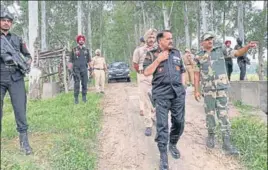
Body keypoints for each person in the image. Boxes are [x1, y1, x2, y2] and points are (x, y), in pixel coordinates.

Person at [193, 32, 257, 155]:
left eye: (211, 38)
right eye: (207, 39)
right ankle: (211, 136)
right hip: (208, 90)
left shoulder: (220, 50)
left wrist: (247, 47)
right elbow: (196, 75)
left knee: (223, 115)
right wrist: (196, 90)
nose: (210, 41)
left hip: (222, 89)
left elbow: (237, 53)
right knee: (210, 114)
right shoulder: (198, 56)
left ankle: (226, 143)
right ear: (202, 42)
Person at [144, 30, 186, 170]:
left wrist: (183, 88)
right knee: (162, 126)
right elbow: (146, 72)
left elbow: (182, 71)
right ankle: (163, 156)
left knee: (179, 122)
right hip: (161, 94)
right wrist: (158, 59)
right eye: (168, 39)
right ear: (160, 41)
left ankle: (172, 143)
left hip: (177, 94)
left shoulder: (177, 53)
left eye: (171, 38)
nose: (171, 41)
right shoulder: (151, 54)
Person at [0, 10, 32, 155]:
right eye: (3, 20)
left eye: (9, 20)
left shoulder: (17, 39)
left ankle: (24, 143)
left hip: (16, 77)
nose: (6, 22)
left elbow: (28, 55)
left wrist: (25, 63)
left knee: (20, 110)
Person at [132, 28, 157, 136]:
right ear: (145, 38)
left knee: (157, 101)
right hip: (144, 77)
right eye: (149, 37)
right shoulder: (139, 50)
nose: (151, 39)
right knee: (146, 101)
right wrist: (143, 73)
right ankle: (148, 124)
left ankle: (154, 118)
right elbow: (135, 64)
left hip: (157, 78)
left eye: (153, 37)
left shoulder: (159, 49)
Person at [69, 35, 91, 104]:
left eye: (82, 40)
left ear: (84, 41)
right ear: (78, 41)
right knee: (77, 84)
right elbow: (70, 60)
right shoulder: (74, 49)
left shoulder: (86, 50)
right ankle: (76, 99)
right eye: (80, 39)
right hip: (76, 69)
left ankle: (84, 98)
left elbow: (89, 60)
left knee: (84, 83)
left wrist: (91, 68)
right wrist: (70, 69)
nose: (81, 41)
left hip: (84, 69)